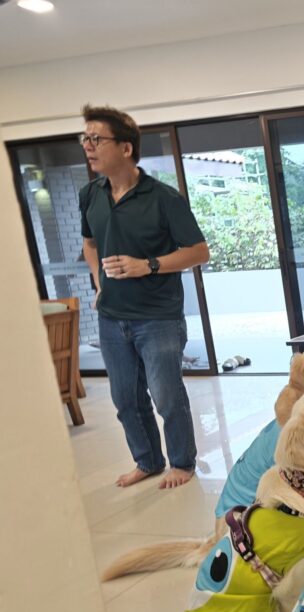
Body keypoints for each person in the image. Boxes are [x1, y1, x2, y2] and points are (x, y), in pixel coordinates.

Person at [78, 104, 210, 489]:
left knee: (166, 396)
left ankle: (182, 463)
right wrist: (99, 283)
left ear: (125, 148)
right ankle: (148, 461)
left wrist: (146, 265)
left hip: (158, 318)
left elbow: (199, 252)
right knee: (125, 399)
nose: (88, 146)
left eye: (96, 138)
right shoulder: (90, 195)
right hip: (111, 317)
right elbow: (89, 243)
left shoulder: (164, 198)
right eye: (85, 138)